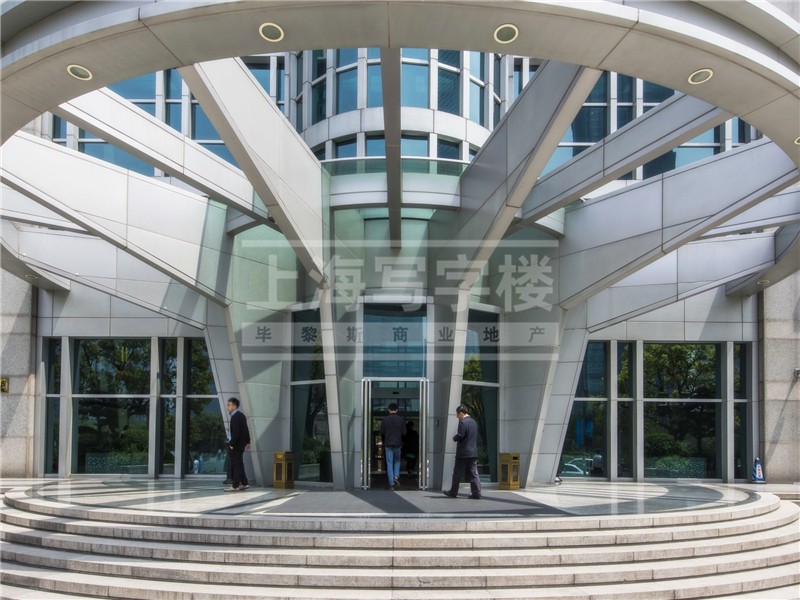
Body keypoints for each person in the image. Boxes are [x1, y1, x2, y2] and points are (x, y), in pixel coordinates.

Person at [444, 404, 481, 499]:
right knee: (474, 473)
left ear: (461, 413)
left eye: (457, 414)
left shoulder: (463, 423)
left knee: (457, 473)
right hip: (473, 453)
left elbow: (461, 435)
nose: (457, 416)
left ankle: (453, 492)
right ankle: (476, 493)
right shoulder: (474, 422)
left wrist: (454, 438)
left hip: (463, 453)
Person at [224, 398, 250, 492]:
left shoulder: (235, 417)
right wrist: (248, 441)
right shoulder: (241, 415)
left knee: (236, 465)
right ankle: (244, 483)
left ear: (234, 406)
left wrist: (231, 444)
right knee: (239, 464)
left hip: (236, 445)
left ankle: (235, 485)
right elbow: (246, 429)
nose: (227, 407)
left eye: (229, 405)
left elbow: (236, 433)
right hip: (241, 444)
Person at [380, 403, 406, 490]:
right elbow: (404, 432)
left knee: (389, 463)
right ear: (397, 410)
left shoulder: (385, 420)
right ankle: (396, 476)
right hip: (398, 444)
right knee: (397, 461)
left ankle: (391, 484)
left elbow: (382, 432)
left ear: (389, 410)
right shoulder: (401, 419)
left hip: (388, 444)